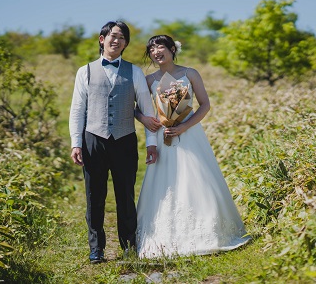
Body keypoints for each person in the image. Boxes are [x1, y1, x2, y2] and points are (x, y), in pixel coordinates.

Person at [135, 35, 251, 258]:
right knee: (166, 180)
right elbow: (136, 108)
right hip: (163, 135)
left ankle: (208, 231)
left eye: (160, 47)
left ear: (171, 49)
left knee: (196, 177)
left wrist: (183, 126)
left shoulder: (190, 74)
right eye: (151, 49)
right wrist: (145, 119)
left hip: (189, 134)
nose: (156, 52)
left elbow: (204, 105)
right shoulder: (148, 80)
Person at [69, 21, 158, 264]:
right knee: (94, 196)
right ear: (102, 39)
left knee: (125, 196)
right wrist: (76, 143)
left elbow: (146, 108)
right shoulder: (84, 71)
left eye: (122, 38)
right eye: (112, 36)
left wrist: (152, 142)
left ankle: (129, 246)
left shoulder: (135, 72)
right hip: (93, 139)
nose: (116, 40)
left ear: (126, 44)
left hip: (125, 139)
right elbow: (77, 110)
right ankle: (96, 248)